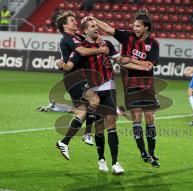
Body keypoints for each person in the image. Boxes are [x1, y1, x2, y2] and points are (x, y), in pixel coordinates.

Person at [59, 17, 152, 174]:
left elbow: (121, 60)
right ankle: (101, 159)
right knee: (99, 128)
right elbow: (69, 66)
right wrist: (61, 65)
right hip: (93, 90)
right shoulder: (81, 48)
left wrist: (141, 66)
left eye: (96, 26)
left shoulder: (107, 44)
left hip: (108, 88)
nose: (96, 28)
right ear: (85, 31)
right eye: (92, 26)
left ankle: (115, 163)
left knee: (112, 126)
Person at [90, 9, 161, 168]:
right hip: (131, 85)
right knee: (136, 118)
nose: (134, 28)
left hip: (147, 85)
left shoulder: (153, 43)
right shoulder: (126, 36)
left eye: (138, 26)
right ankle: (143, 152)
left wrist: (128, 61)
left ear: (146, 28)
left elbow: (149, 65)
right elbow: (108, 29)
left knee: (150, 119)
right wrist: (93, 18)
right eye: (134, 25)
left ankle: (152, 152)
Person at [55, 11, 110, 159]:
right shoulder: (67, 39)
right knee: (95, 101)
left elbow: (93, 39)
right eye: (72, 21)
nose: (75, 22)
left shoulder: (77, 37)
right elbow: (82, 51)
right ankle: (87, 134)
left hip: (80, 77)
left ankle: (64, 142)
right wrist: (101, 50)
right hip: (74, 78)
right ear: (65, 25)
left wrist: (94, 27)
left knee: (83, 112)